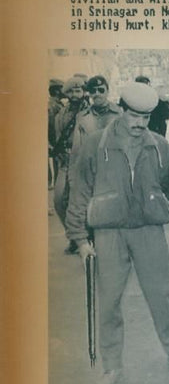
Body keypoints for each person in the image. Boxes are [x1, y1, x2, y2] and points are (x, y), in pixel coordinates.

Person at [65, 82, 169, 384]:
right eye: (134, 116)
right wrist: (79, 238)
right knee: (110, 300)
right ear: (121, 110)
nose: (140, 124)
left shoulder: (157, 146)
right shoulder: (97, 145)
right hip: (108, 233)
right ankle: (112, 365)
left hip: (148, 231)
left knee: (161, 294)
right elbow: (80, 192)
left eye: (146, 117)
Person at [53, 75, 89, 253]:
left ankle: (84, 237)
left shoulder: (89, 112)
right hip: (65, 161)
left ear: (84, 92)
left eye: (79, 90)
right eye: (72, 91)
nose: (75, 94)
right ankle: (73, 236)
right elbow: (58, 136)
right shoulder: (62, 113)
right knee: (59, 200)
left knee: (82, 201)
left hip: (82, 161)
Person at [48, 78, 65, 190]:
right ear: (58, 91)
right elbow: (50, 125)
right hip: (55, 140)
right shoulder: (52, 106)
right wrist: (50, 142)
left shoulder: (58, 104)